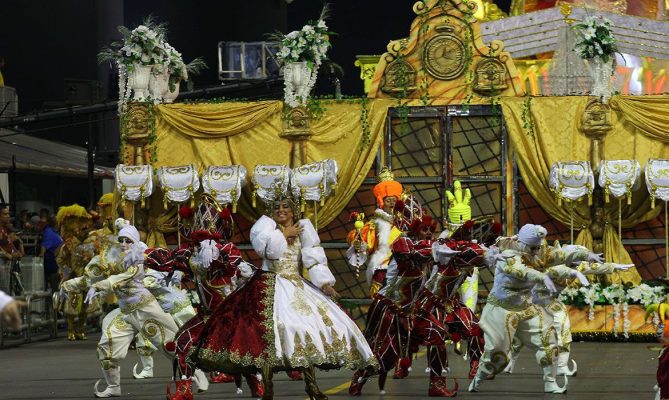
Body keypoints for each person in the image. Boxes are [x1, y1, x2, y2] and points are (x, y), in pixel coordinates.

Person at [191, 191, 378, 400]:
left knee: (306, 328)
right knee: (267, 334)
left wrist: (325, 283)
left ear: (293, 210)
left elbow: (314, 257)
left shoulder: (304, 228)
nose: (281, 210)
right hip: (268, 284)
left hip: (295, 285)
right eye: (277, 208)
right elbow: (269, 253)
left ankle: (312, 386)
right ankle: (268, 388)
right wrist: (284, 233)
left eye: (285, 207)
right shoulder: (265, 229)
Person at [468, 224, 589, 394]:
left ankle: (550, 383)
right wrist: (541, 276)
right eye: (533, 248)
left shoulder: (537, 253)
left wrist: (588, 255)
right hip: (502, 310)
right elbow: (521, 271)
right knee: (498, 357)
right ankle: (479, 377)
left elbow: (562, 255)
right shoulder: (508, 256)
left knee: (549, 340)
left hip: (527, 308)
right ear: (523, 244)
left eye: (538, 247)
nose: (536, 251)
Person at [89, 222, 179, 398]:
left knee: (170, 346)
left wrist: (100, 285)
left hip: (145, 309)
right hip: (125, 312)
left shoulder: (138, 259)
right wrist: (73, 286)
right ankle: (113, 387)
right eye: (121, 240)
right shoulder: (118, 260)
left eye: (128, 240)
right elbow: (99, 275)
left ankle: (194, 377)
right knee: (107, 348)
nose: (123, 243)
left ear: (135, 242)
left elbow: (124, 277)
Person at [347, 167, 404, 297]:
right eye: (388, 200)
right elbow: (365, 243)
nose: (391, 203)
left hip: (402, 269)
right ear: (381, 202)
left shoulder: (405, 222)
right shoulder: (374, 224)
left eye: (394, 201)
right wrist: (359, 245)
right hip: (381, 268)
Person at [55, 204, 94, 340]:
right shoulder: (69, 244)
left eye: (85, 228)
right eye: (81, 228)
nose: (83, 231)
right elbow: (60, 259)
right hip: (72, 277)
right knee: (72, 305)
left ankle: (81, 329)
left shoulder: (91, 242)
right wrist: (66, 271)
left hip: (87, 277)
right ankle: (70, 330)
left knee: (85, 306)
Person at [40, 215, 62, 293]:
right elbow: (44, 245)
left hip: (57, 260)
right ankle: (54, 296)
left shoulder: (55, 232)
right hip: (52, 260)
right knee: (54, 280)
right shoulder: (48, 232)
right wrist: (42, 254)